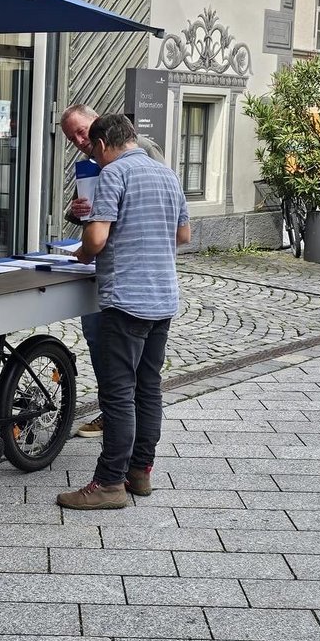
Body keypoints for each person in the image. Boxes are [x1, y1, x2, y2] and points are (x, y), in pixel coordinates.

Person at [57, 114, 190, 510]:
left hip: (126, 299)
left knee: (117, 395)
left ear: (101, 145)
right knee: (148, 388)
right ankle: (140, 472)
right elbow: (183, 235)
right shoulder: (167, 175)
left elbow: (96, 239)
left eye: (92, 150)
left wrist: (82, 253)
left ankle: (109, 483)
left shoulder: (113, 173)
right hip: (162, 299)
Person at [58, 103, 165, 439]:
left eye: (81, 132)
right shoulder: (90, 162)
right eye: (72, 138)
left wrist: (86, 249)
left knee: (135, 373)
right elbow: (87, 214)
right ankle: (127, 435)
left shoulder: (138, 152)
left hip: (130, 276)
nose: (79, 141)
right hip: (110, 271)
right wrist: (77, 211)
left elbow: (158, 206)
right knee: (98, 340)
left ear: (96, 124)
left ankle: (119, 430)